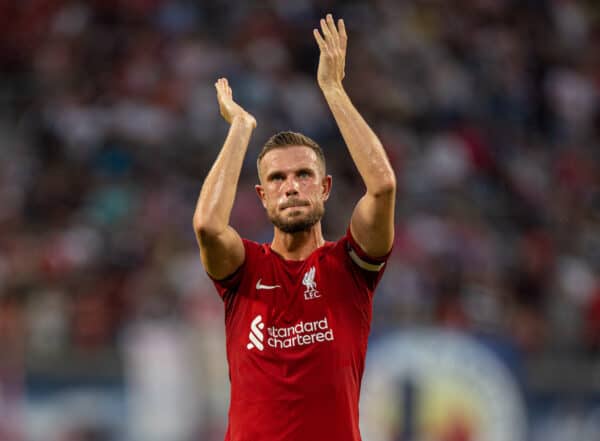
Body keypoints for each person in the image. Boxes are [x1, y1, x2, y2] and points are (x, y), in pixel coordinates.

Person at [193, 14, 396, 441]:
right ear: (262, 196)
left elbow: (382, 186)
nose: (290, 187)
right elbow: (208, 227)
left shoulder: (351, 268)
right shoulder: (244, 270)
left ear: (324, 189)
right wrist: (240, 130)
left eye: (303, 175)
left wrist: (333, 89)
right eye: (276, 179)